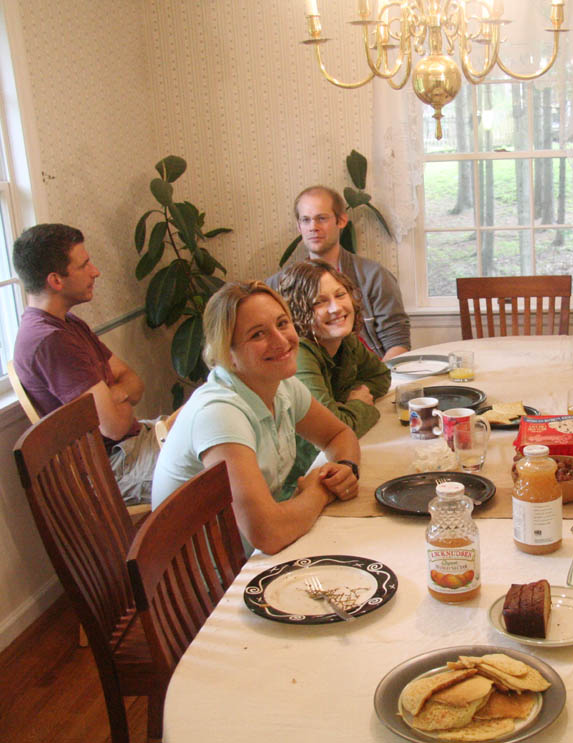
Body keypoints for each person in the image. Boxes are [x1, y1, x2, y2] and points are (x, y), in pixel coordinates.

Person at [151, 281, 361, 555]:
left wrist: (344, 468)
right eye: (258, 334)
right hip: (209, 577)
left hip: (248, 548)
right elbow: (269, 533)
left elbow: (339, 435)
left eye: (282, 323)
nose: (281, 340)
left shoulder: (279, 383)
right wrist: (322, 491)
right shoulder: (220, 413)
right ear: (228, 355)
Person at [11, 223, 165, 505]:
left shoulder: (67, 323)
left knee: (216, 426)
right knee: (223, 459)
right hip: (117, 466)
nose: (95, 271)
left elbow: (135, 382)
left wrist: (112, 394)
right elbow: (115, 426)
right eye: (85, 265)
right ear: (56, 281)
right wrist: (116, 394)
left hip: (134, 443)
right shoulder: (51, 341)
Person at [276, 260, 391, 495]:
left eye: (340, 295)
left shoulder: (343, 338)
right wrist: (357, 404)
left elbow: (381, 377)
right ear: (298, 311)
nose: (336, 308)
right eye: (319, 302)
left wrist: (345, 408)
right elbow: (338, 429)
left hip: (329, 466)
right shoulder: (301, 354)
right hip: (297, 482)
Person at [286, 185, 410, 361]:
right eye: (306, 220)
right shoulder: (284, 284)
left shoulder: (375, 276)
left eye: (321, 218)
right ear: (299, 226)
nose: (313, 227)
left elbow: (398, 341)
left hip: (376, 375)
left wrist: (372, 384)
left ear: (341, 220)